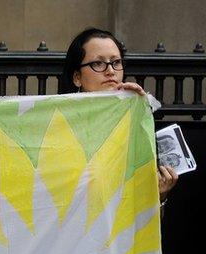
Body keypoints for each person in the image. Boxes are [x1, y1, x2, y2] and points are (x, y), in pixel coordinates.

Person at [60, 27, 178, 201]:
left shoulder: (136, 116)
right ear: (77, 77)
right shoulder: (59, 124)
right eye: (98, 63)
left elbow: (146, 218)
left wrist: (160, 195)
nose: (110, 71)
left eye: (116, 62)